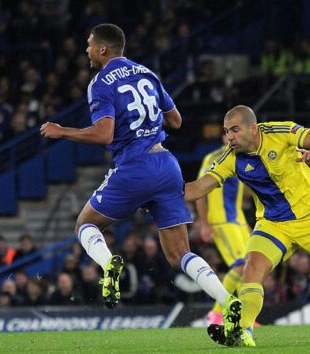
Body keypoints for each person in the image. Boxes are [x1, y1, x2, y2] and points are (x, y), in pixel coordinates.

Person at [40, 23, 241, 335]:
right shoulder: (148, 73)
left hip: (134, 166)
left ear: (103, 49)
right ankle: (228, 301)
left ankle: (108, 266)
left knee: (85, 225)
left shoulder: (100, 83)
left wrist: (63, 131)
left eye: (90, 45)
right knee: (179, 255)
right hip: (166, 164)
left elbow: (104, 133)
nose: (87, 50)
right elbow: (176, 120)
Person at [185, 105, 310, 347]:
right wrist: (158, 194)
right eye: (226, 131)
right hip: (273, 225)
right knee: (251, 270)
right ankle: (242, 330)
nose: (229, 136)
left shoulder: (279, 132)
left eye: (235, 130)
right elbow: (198, 188)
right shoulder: (230, 158)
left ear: (253, 128)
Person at [196, 133, 250, 325]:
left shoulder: (243, 157)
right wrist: (204, 222)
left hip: (238, 220)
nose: (233, 138)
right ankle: (217, 313)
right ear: (223, 137)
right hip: (221, 221)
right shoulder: (212, 158)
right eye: (229, 133)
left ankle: (246, 317)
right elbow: (201, 192)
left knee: (252, 266)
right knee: (240, 265)